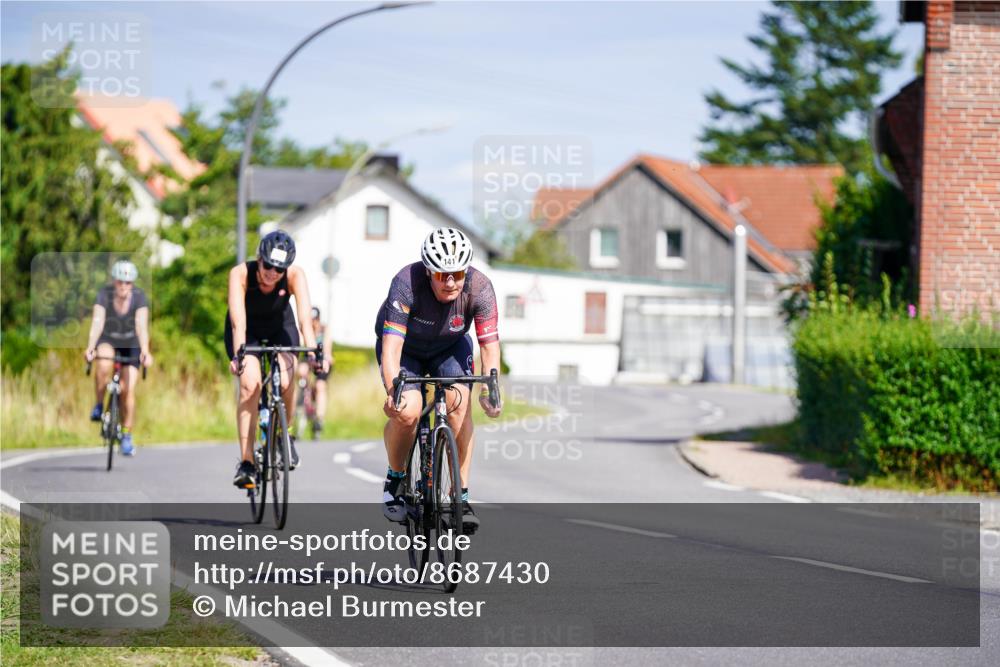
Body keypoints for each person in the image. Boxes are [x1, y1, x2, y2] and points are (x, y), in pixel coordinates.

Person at [375, 227, 503, 532]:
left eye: (457, 274)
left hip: (449, 346)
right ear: (428, 271)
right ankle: (395, 479)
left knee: (460, 405)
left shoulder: (480, 287)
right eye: (441, 275)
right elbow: (392, 349)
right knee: (408, 411)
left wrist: (491, 389)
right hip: (407, 349)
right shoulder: (406, 283)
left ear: (466, 270)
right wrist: (396, 391)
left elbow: (489, 347)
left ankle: (460, 495)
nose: (450, 282)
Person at [226, 231, 329, 488]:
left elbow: (306, 320)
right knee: (250, 385)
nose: (273, 273)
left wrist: (316, 352)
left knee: (285, 377)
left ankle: (286, 435)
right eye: (268, 265)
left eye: (279, 269)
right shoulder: (240, 274)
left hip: (279, 328)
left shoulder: (295, 276)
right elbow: (238, 321)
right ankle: (247, 462)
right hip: (246, 330)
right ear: (259, 259)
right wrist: (239, 355)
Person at [84, 260, 153, 456]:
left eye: (128, 282)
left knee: (127, 389)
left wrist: (145, 351)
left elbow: (141, 327)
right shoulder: (104, 295)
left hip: (131, 343)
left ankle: (127, 434)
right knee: (104, 364)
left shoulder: (139, 298)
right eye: (120, 282)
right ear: (114, 282)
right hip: (109, 339)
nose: (124, 286)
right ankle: (99, 404)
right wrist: (90, 348)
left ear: (132, 284)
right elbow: (97, 322)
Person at [296, 306, 334, 437]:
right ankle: (302, 397)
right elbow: (300, 343)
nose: (313, 323)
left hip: (322, 360)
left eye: (315, 320)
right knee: (301, 371)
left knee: (320, 386)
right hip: (308, 359)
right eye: (311, 320)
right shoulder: (305, 330)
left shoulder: (325, 329)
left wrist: (326, 357)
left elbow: (327, 348)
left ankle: (319, 419)